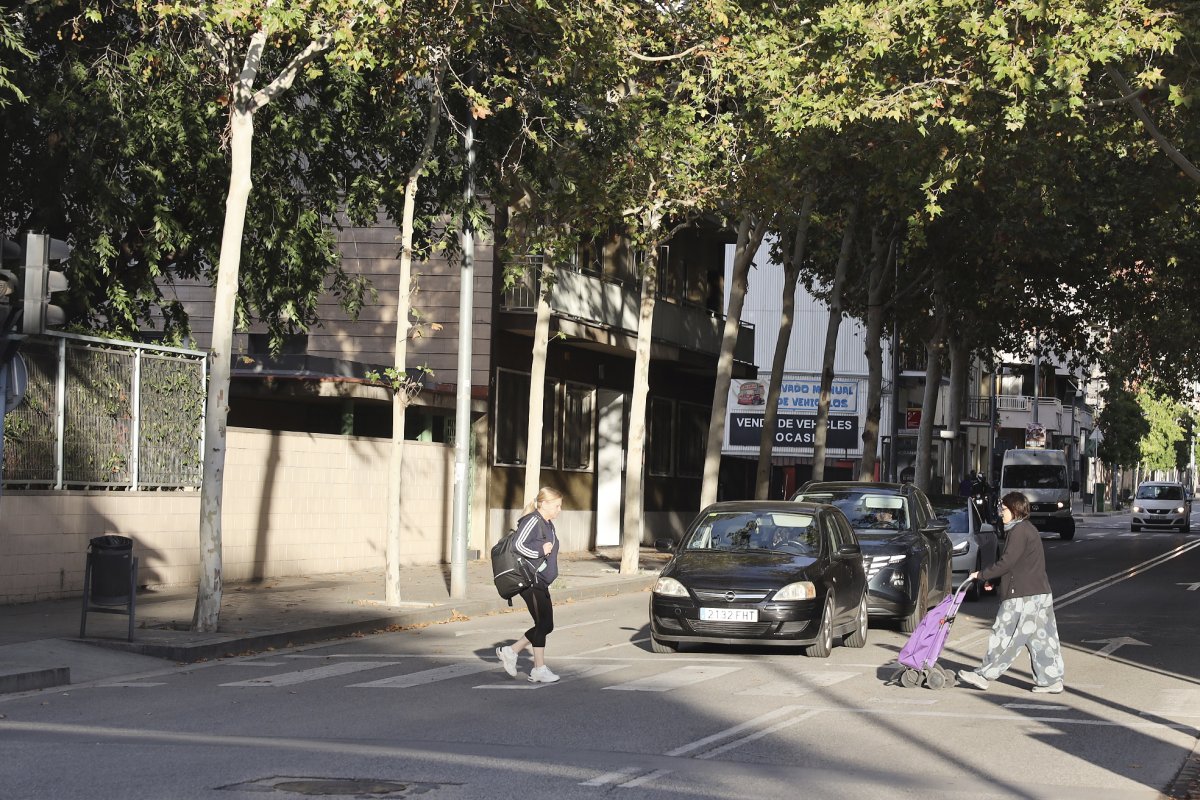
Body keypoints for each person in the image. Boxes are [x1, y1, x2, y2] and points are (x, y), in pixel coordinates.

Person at [958, 491, 1066, 694]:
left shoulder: (1018, 531)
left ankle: (983, 675)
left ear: (1015, 510)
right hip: (1039, 593)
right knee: (1041, 639)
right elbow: (1017, 564)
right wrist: (995, 580)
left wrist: (981, 575)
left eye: (1004, 509)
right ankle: (1052, 680)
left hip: (1022, 596)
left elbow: (1007, 561)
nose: (1001, 513)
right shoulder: (1027, 529)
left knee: (1004, 636)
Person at [495, 487, 563, 683]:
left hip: (539, 581)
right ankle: (538, 668)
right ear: (544, 504)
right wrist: (540, 550)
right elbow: (519, 545)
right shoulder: (533, 520)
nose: (559, 510)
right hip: (530, 580)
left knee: (546, 625)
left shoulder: (548, 523)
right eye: (556, 506)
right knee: (543, 624)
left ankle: (512, 651)